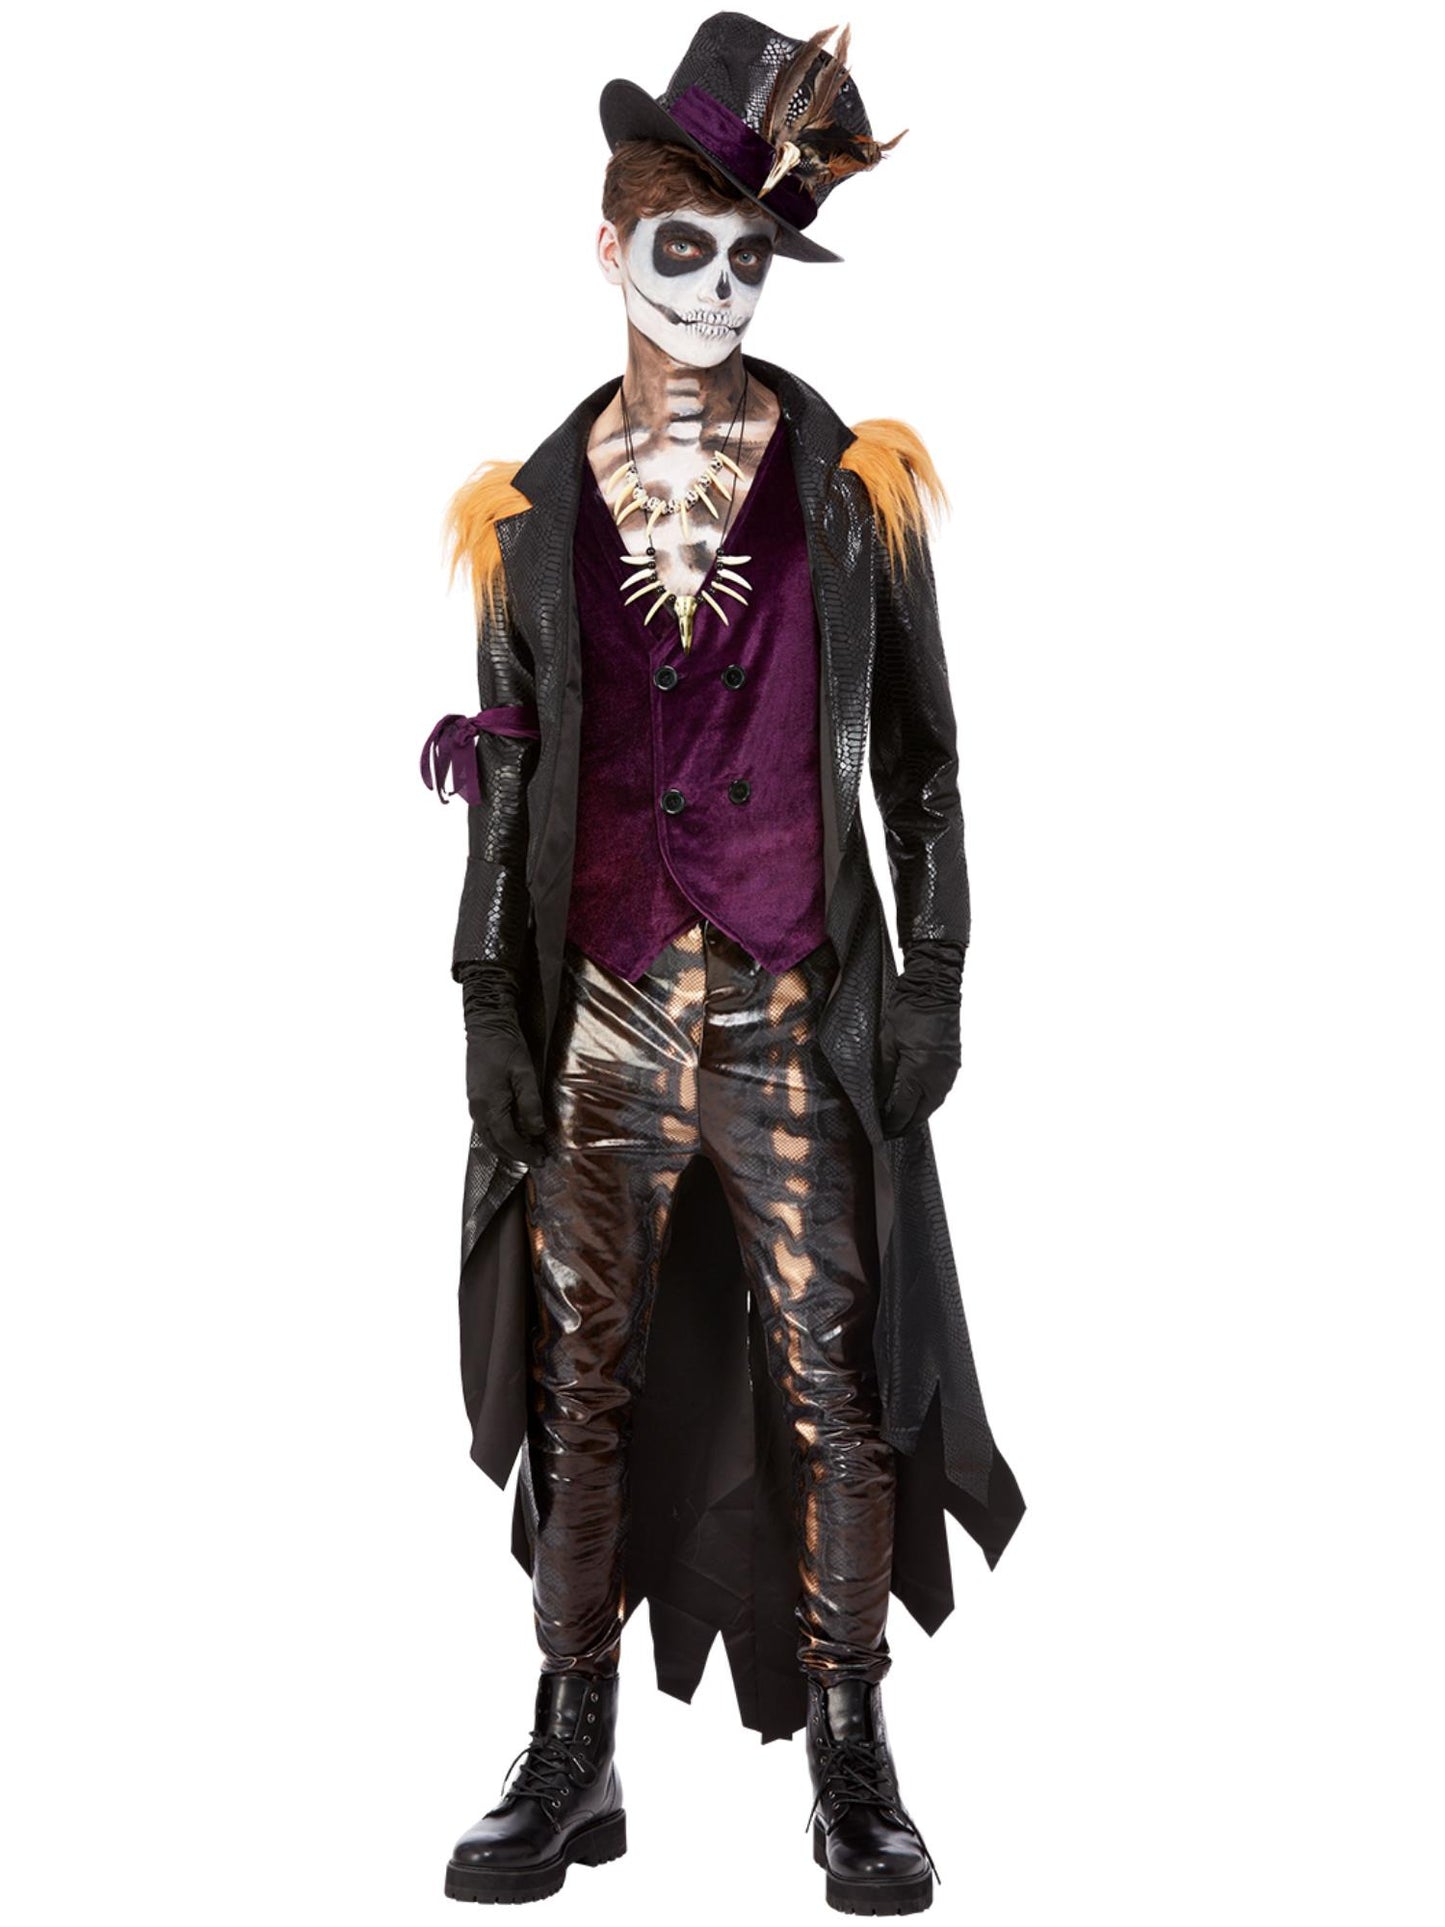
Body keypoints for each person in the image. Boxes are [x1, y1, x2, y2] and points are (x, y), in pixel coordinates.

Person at [418, 15, 1026, 1912]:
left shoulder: (854, 485)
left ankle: (851, 1754)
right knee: (581, 1382)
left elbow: (921, 763)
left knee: (832, 1375)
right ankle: (571, 1743)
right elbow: (505, 780)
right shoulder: (525, 516)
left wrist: (931, 970)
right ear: (609, 247)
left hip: (788, 1005)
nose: (717, 289)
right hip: (599, 1014)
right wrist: (486, 1000)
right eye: (683, 249)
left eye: (749, 257)